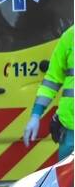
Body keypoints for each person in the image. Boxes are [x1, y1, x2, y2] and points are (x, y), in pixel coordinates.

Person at [23, 25, 73, 160]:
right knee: (66, 180)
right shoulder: (70, 36)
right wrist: (36, 114)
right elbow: (52, 81)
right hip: (70, 130)